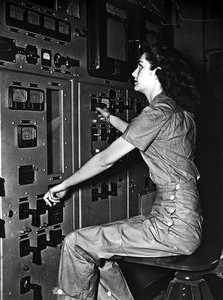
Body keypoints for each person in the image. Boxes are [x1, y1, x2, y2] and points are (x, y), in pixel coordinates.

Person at [43, 39, 202, 299]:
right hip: (183, 219)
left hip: (171, 225)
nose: (133, 73)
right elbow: (145, 136)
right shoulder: (179, 111)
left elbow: (106, 159)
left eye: (139, 66)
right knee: (99, 252)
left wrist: (63, 185)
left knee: (77, 243)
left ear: (157, 72)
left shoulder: (156, 113)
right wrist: (111, 118)